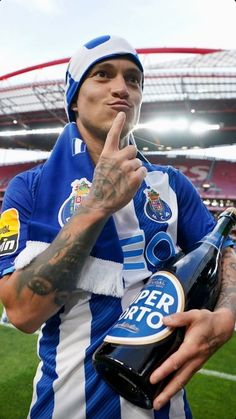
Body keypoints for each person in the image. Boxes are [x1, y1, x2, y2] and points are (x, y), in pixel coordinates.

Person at [0, 34, 235, 419]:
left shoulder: (172, 185)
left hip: (166, 407)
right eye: (103, 75)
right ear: (74, 97)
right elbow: (24, 312)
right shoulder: (29, 188)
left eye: (134, 80)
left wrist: (226, 314)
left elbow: (224, 250)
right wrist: (97, 205)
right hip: (65, 408)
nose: (121, 88)